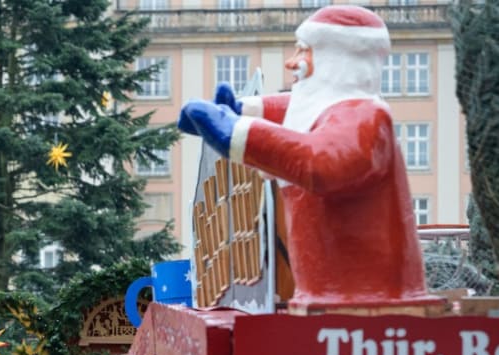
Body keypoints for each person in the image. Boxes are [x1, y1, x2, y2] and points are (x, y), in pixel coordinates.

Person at [178, 5, 438, 311]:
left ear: (337, 61)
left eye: (305, 52)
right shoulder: (329, 110)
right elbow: (290, 112)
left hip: (368, 307)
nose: (292, 62)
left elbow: (321, 163)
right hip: (335, 302)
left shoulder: (367, 118)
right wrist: (239, 109)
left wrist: (235, 132)